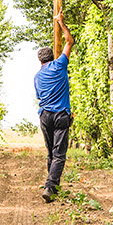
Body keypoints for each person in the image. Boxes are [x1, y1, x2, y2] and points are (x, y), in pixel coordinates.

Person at [33, 14, 75, 202]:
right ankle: (50, 186)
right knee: (59, 154)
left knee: (51, 152)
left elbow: (39, 97)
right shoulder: (60, 65)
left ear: (40, 61)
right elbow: (69, 40)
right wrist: (61, 22)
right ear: (52, 56)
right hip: (61, 115)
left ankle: (53, 186)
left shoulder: (37, 77)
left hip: (45, 115)